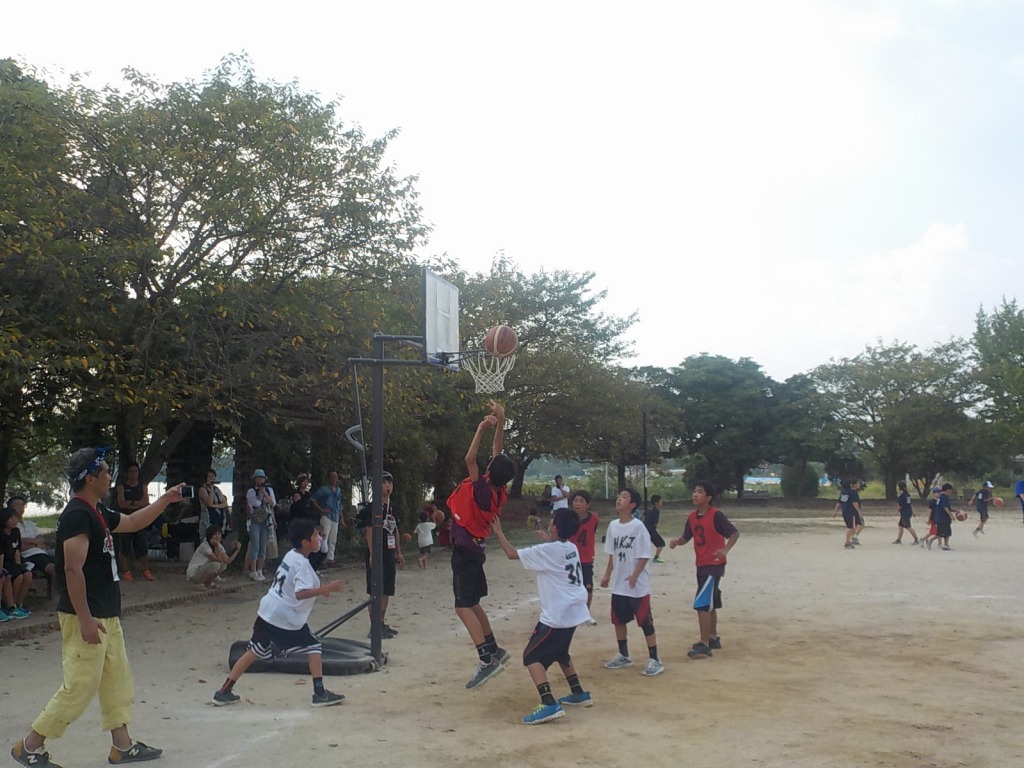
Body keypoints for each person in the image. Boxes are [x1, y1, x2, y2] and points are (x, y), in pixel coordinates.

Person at [11, 446, 183, 768]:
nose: (109, 476)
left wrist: (164, 500)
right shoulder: (78, 515)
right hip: (85, 616)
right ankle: (29, 746)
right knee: (79, 687)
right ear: (90, 478)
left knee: (116, 681)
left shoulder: (97, 510)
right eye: (104, 471)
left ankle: (122, 746)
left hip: (106, 613)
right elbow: (72, 569)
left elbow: (132, 521)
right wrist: (86, 620)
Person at [211, 518, 346, 708]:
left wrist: (320, 589)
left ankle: (223, 691)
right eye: (316, 535)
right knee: (314, 647)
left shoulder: (291, 555)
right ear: (305, 542)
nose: (319, 538)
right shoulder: (302, 564)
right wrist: (325, 588)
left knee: (254, 651)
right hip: (284, 617)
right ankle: (319, 693)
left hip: (267, 611)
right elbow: (300, 593)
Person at [491, 511, 593, 725]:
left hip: (557, 615)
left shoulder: (548, 550)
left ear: (555, 527)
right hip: (574, 611)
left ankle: (549, 703)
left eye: (552, 521)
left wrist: (499, 532)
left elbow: (511, 554)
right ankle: (578, 692)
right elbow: (556, 553)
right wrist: (549, 541)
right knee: (561, 652)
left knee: (531, 657)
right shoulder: (571, 547)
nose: (549, 522)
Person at [447, 400, 518, 690]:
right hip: (476, 550)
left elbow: (470, 458)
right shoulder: (498, 489)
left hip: (466, 552)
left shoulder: (481, 490)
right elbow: (497, 451)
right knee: (473, 602)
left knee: (462, 606)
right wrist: (501, 419)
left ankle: (486, 660)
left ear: (489, 470)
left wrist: (481, 428)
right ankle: (493, 648)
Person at [669, 481, 740, 659]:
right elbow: (687, 537)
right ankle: (713, 638)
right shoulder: (692, 517)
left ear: (708, 497)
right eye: (694, 491)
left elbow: (734, 533)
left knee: (702, 604)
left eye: (700, 492)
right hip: (701, 564)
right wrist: (677, 542)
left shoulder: (716, 515)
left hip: (713, 565)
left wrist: (725, 550)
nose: (695, 494)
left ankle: (704, 644)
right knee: (710, 602)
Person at [599, 488, 664, 677]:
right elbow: (612, 554)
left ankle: (655, 659)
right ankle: (624, 655)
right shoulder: (613, 526)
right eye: (619, 496)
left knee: (645, 621)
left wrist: (635, 575)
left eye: (624, 497)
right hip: (620, 584)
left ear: (633, 504)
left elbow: (644, 555)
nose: (619, 499)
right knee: (618, 620)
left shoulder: (638, 527)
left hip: (637, 585)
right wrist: (607, 575)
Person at [357, 470, 404, 638]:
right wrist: (372, 553)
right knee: (375, 588)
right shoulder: (373, 507)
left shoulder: (392, 508)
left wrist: (398, 551)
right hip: (377, 551)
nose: (387, 486)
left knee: (387, 589)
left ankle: (381, 622)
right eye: (384, 483)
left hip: (389, 552)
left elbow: (395, 530)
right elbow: (369, 530)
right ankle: (374, 626)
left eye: (389, 482)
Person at [115, 461, 153, 581]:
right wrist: (137, 504)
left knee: (142, 546)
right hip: (125, 520)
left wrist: (131, 503)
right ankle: (126, 571)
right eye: (131, 471)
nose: (134, 474)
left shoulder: (142, 486)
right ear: (127, 473)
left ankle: (146, 570)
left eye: (136, 471)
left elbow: (146, 502)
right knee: (125, 546)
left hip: (139, 519)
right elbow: (122, 503)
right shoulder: (121, 487)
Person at [567, 490, 599, 624]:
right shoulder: (569, 518)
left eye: (581, 501)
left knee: (588, 586)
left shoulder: (594, 519)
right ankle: (570, 612)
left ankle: (585, 613)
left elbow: (592, 531)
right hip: (571, 558)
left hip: (586, 558)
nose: (577, 504)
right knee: (570, 585)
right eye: (575, 501)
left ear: (588, 505)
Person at [9, 495, 57, 582]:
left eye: (22, 505)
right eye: (17, 505)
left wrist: (27, 541)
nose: (21, 507)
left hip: (43, 552)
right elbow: (19, 545)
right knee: (53, 568)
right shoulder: (12, 527)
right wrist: (36, 544)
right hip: (29, 555)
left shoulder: (30, 524)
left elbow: (42, 540)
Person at [1, 507, 33, 618]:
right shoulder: (1, 534)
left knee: (28, 574)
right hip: (4, 563)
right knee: (18, 576)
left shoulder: (16, 532)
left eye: (16, 518)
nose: (15, 521)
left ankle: (19, 603)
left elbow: (17, 551)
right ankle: (11, 605)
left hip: (13, 562)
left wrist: (18, 565)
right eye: (11, 518)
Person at [244, 469, 276, 582]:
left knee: (263, 546)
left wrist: (265, 493)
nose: (261, 480)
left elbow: (273, 503)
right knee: (255, 546)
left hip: (266, 521)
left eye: (262, 478)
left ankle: (260, 570)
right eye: (258, 478)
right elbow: (256, 504)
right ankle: (253, 571)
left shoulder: (269, 490)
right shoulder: (251, 492)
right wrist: (261, 495)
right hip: (255, 521)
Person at [311, 470, 345, 566]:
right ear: (329, 478)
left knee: (333, 539)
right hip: (326, 516)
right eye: (332, 476)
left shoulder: (338, 490)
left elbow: (339, 505)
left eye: (335, 477)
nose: (334, 479)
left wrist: (341, 518)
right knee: (324, 538)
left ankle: (330, 558)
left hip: (335, 516)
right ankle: (321, 559)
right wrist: (321, 509)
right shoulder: (324, 489)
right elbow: (313, 499)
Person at [832, 479, 864, 549]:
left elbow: (839, 502)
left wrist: (835, 511)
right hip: (851, 512)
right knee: (851, 527)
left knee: (852, 527)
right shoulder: (851, 492)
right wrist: (859, 511)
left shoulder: (843, 492)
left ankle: (850, 540)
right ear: (851, 484)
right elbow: (854, 503)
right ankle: (847, 542)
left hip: (845, 511)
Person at [197, 469, 230, 535]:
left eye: (213, 476)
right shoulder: (202, 489)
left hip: (219, 517)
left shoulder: (217, 489)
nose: (212, 478)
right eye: (210, 476)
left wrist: (215, 506)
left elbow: (225, 503)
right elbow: (209, 503)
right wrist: (211, 489)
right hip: (209, 518)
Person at [893, 481, 919, 545]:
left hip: (905, 513)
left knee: (908, 526)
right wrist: (913, 512)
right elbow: (910, 504)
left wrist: (897, 511)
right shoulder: (907, 495)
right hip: (908, 512)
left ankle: (916, 539)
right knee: (900, 526)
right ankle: (899, 539)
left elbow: (900, 506)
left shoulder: (902, 496)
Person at [933, 483, 958, 551]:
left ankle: (945, 545)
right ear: (947, 490)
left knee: (945, 532)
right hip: (943, 518)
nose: (951, 493)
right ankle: (930, 540)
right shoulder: (943, 497)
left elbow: (947, 507)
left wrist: (955, 511)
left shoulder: (941, 497)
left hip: (941, 517)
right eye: (951, 491)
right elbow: (945, 507)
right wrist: (951, 515)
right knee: (943, 532)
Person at [645, 494, 667, 563]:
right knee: (661, 543)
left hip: (644, 529)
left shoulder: (649, 509)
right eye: (660, 501)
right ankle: (656, 557)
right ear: (656, 503)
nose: (661, 503)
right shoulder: (656, 511)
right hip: (650, 529)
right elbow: (655, 523)